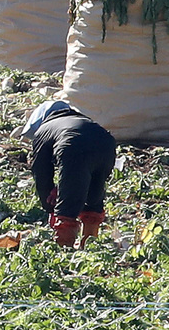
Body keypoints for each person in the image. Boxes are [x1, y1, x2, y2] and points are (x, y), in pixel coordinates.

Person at [22, 97, 117, 248]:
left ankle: (64, 250)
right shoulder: (81, 120)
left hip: (73, 146)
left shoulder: (43, 130)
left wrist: (51, 204)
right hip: (106, 144)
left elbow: (41, 172)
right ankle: (90, 245)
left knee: (67, 209)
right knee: (93, 195)